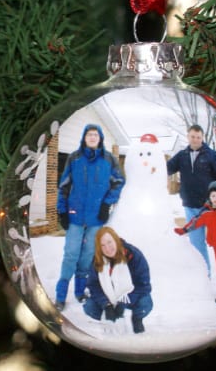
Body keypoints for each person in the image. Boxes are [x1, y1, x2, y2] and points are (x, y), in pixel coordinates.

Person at [55, 124, 125, 311]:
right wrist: (62, 210)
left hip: (97, 216)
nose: (92, 137)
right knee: (71, 254)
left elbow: (119, 182)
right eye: (89, 134)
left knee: (87, 255)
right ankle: (60, 295)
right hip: (75, 215)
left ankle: (79, 291)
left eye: (96, 134)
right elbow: (63, 186)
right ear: (84, 138)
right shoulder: (74, 158)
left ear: (100, 138)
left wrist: (106, 203)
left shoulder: (109, 159)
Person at [166, 124, 216, 276]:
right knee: (196, 244)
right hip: (191, 207)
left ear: (202, 138)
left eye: (198, 137)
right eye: (193, 136)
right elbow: (165, 169)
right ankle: (204, 276)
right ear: (188, 137)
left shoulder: (211, 156)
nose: (195, 140)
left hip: (210, 207)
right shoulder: (182, 156)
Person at [174, 181, 216, 305]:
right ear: (209, 197)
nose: (215, 199)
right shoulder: (206, 211)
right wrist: (183, 230)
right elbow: (195, 222)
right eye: (213, 196)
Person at [83, 227, 153, 334]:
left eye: (109, 242)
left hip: (129, 297)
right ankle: (109, 319)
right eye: (102, 245)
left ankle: (136, 319)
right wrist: (106, 305)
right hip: (108, 298)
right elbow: (93, 285)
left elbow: (143, 286)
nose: (107, 248)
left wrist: (124, 302)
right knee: (89, 307)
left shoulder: (133, 255)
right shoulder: (97, 260)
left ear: (115, 239)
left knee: (145, 303)